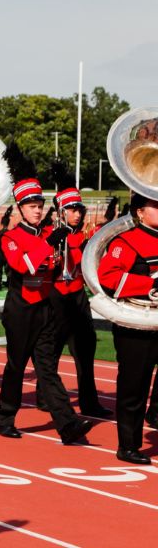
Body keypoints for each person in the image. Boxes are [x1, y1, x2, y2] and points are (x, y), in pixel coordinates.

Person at [0, 147, 92, 444]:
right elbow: (23, 266)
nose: (37, 209)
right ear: (20, 208)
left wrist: (61, 252)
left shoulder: (47, 235)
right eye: (31, 205)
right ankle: (5, 417)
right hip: (21, 309)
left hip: (45, 308)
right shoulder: (11, 237)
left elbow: (55, 269)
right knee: (16, 365)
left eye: (40, 204)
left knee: (47, 368)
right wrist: (49, 242)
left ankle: (67, 424)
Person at [42, 166, 111, 418]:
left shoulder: (85, 237)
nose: (77, 214)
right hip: (56, 297)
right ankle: (44, 395)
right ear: (61, 211)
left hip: (78, 297)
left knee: (85, 351)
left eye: (79, 209)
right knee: (52, 350)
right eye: (72, 209)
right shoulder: (49, 235)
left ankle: (89, 402)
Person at [97, 192, 158, 464]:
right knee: (134, 385)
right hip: (136, 323)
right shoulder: (126, 241)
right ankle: (128, 445)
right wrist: (150, 285)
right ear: (139, 212)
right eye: (155, 205)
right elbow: (108, 277)